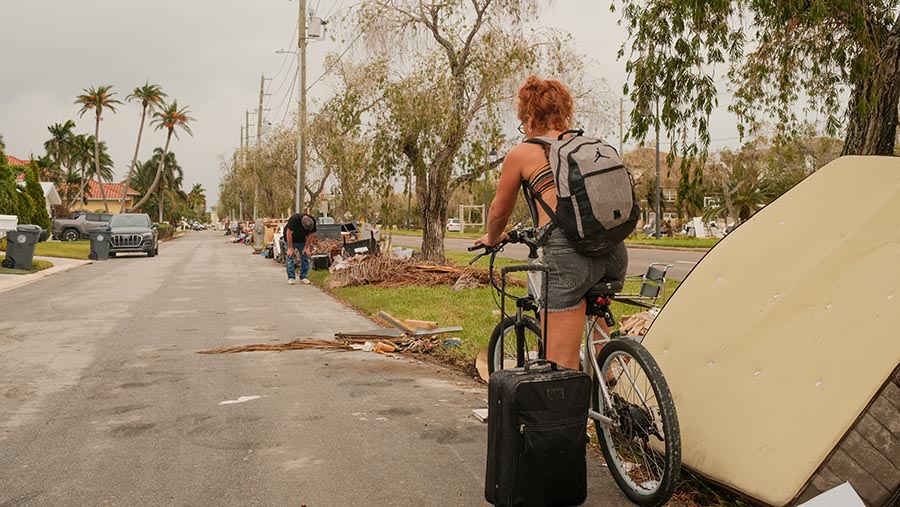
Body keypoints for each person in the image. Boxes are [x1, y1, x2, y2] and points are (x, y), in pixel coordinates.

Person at [475, 75, 628, 370]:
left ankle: (572, 410)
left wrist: (493, 238)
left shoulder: (523, 153)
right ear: (564, 112)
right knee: (597, 336)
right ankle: (610, 391)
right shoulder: (589, 146)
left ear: (529, 115)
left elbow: (498, 212)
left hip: (569, 258)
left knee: (560, 365)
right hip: (613, 250)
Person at [283, 212, 317, 285]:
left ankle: (303, 277)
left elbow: (311, 235)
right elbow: (289, 233)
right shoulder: (294, 219)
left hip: (302, 240)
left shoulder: (312, 221)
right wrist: (290, 247)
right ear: (302, 225)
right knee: (290, 257)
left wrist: (306, 247)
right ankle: (291, 277)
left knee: (305, 256)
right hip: (291, 239)